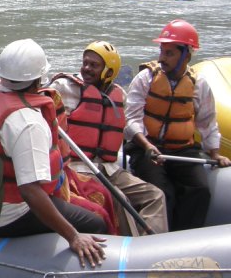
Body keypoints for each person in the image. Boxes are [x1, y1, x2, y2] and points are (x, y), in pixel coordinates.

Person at [0, 39, 107, 267]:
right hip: (2, 217)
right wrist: (73, 236)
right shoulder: (28, 123)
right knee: (95, 222)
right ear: (38, 79)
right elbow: (30, 191)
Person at [50, 41, 169, 234]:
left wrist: (147, 145)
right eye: (85, 63)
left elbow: (127, 126)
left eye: (94, 65)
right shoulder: (64, 87)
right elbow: (45, 101)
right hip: (79, 167)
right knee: (119, 198)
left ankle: (152, 244)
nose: (86, 68)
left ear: (108, 70)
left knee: (155, 195)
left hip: (110, 169)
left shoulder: (118, 95)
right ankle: (132, 249)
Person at [123, 19, 231, 230]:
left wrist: (215, 154)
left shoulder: (199, 85)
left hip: (182, 150)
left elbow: (207, 122)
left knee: (199, 190)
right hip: (147, 149)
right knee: (162, 193)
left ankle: (184, 237)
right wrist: (146, 145)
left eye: (169, 53)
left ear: (186, 55)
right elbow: (132, 119)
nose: (162, 58)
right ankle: (159, 238)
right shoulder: (145, 78)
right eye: (162, 51)